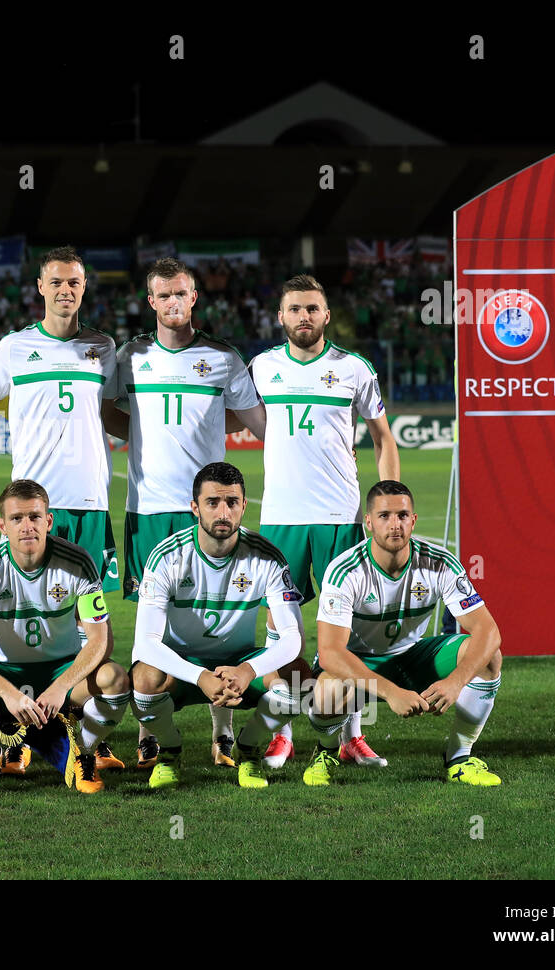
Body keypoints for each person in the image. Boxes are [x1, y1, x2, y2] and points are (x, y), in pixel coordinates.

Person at [0, 245, 123, 767]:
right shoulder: (12, 348)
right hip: (32, 509)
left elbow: (117, 417)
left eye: (74, 282)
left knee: (92, 627)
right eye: (56, 282)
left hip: (90, 502)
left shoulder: (104, 347)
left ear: (83, 288)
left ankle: (78, 738)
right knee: (30, 607)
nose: (66, 290)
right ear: (40, 288)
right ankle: (19, 721)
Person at [101, 257, 267, 770]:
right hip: (149, 507)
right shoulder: (129, 357)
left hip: (209, 509)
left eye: (182, 294)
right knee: (155, 617)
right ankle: (153, 731)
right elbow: (107, 410)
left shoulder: (222, 357)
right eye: (163, 295)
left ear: (194, 298)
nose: (173, 303)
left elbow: (258, 420)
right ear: (150, 302)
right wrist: (142, 439)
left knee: (217, 613)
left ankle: (223, 728)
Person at [249, 274, 400, 770]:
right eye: (294, 309)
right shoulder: (262, 368)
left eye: (312, 308)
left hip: (339, 516)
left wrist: (387, 502)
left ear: (326, 315)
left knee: (347, 633)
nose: (303, 317)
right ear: (281, 316)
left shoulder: (354, 369)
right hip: (280, 520)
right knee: (280, 631)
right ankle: (282, 734)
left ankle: (350, 738)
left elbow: (382, 439)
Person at [302, 480, 503, 786]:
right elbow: (330, 653)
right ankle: (327, 750)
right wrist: (392, 693)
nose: (394, 525)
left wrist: (454, 682)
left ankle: (459, 758)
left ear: (414, 519)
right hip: (358, 662)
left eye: (402, 515)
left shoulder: (439, 563)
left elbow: (488, 631)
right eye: (384, 516)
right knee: (327, 690)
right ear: (368, 522)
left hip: (410, 657)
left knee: (489, 658)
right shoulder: (345, 571)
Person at [0, 479, 130, 795]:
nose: (27, 526)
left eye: (34, 517)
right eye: (17, 519)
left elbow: (100, 640)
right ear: (2, 525)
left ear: (49, 520)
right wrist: (10, 694)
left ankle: (82, 751)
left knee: (115, 678)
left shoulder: (78, 562)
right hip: (4, 673)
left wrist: (61, 688)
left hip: (61, 671)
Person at [130, 461, 305, 789]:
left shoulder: (267, 556)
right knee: (144, 677)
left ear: (244, 506)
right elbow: (145, 643)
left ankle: (250, 748)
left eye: (232, 503)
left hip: (241, 664)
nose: (223, 512)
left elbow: (292, 639)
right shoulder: (166, 556)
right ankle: (169, 751)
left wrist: (247, 671)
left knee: (298, 676)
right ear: (195, 508)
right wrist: (200, 676)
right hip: (184, 667)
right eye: (212, 503)